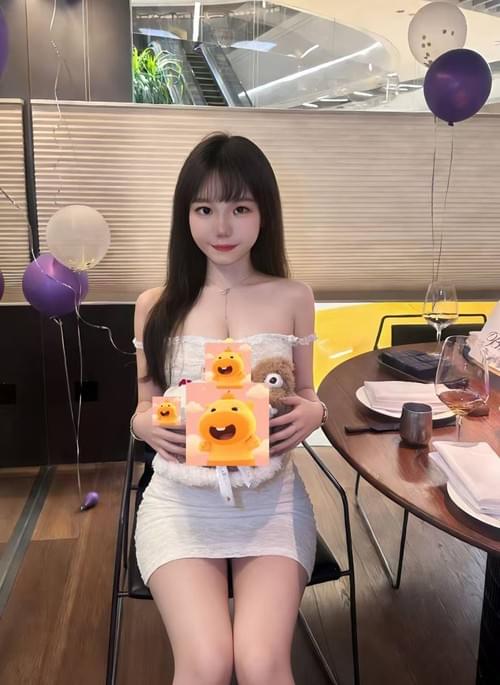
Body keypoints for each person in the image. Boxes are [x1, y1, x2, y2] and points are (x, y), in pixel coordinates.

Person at [131, 132, 327, 685]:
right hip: (180, 503)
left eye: (240, 208)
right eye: (204, 209)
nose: (222, 227)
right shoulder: (153, 305)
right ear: (185, 216)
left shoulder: (294, 296)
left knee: (262, 664)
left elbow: (308, 395)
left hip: (272, 500)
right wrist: (144, 425)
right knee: (207, 663)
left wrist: (315, 414)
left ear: (264, 213)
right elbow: (144, 404)